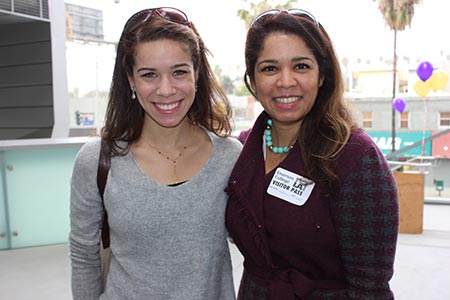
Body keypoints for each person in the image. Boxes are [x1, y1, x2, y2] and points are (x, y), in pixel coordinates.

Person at [225, 8, 399, 300]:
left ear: (322, 75)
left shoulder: (355, 157)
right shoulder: (243, 150)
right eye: (270, 68)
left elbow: (371, 289)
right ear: (253, 81)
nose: (286, 81)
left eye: (301, 66)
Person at [69, 7, 241, 300]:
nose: (166, 89)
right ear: (131, 80)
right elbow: (84, 256)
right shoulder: (97, 160)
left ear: (196, 73)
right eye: (149, 75)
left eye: (179, 72)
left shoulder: (230, 156)